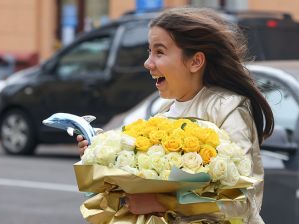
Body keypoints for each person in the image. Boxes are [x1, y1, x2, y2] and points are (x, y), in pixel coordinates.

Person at [77, 7, 274, 223]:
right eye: (149, 51)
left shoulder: (228, 109)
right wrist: (102, 159)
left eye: (159, 52)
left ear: (195, 62)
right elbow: (134, 196)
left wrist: (164, 201)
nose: (148, 63)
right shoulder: (162, 113)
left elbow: (243, 204)